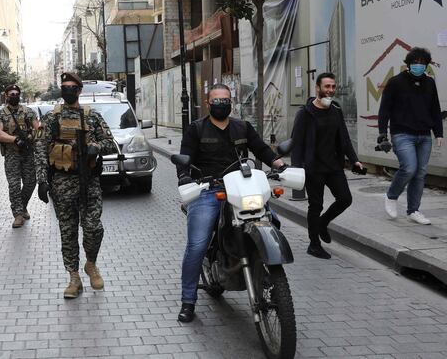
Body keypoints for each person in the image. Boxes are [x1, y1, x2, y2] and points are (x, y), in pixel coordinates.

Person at [175, 84, 284, 323]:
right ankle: (188, 300)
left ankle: (268, 273)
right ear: (208, 102)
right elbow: (184, 158)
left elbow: (261, 149)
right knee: (197, 244)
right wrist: (184, 176)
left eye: (225, 100)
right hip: (208, 190)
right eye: (217, 100)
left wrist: (278, 164)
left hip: (242, 187)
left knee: (272, 221)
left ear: (231, 102)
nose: (221, 104)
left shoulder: (242, 127)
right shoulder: (196, 129)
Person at [35, 72, 117, 299]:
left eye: (72, 87)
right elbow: (41, 149)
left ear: (79, 90)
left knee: (93, 228)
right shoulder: (52, 119)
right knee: (68, 231)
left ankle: (91, 264)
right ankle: (73, 277)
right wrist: (42, 180)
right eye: (64, 87)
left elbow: (111, 144)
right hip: (62, 182)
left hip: (88, 182)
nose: (67, 90)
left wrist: (96, 147)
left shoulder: (92, 117)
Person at [290, 73, 362, 259]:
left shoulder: (336, 110)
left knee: (345, 198)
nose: (330, 90)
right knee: (316, 205)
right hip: (313, 168)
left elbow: (344, 138)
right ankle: (314, 244)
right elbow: (297, 143)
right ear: (317, 88)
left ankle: (323, 223)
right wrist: (297, 169)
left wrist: (354, 159)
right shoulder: (305, 113)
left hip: (333, 166)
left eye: (333, 86)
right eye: (326, 86)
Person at [378, 47, 443, 225]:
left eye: (423, 63)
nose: (419, 66)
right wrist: (382, 134)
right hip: (402, 133)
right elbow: (384, 109)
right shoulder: (395, 82)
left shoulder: (429, 83)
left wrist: (439, 133)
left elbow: (435, 109)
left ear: (427, 65)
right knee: (409, 168)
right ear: (408, 64)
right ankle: (391, 196)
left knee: (420, 173)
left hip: (424, 135)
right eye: (415, 62)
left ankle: (413, 210)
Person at [0, 84, 39, 228]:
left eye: (16, 94)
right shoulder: (0, 114)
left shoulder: (28, 112)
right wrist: (14, 140)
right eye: (11, 94)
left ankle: (23, 205)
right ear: (6, 96)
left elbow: (38, 129)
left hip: (28, 153)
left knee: (31, 183)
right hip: (12, 154)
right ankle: (18, 214)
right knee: (14, 185)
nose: (14, 96)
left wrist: (31, 136)